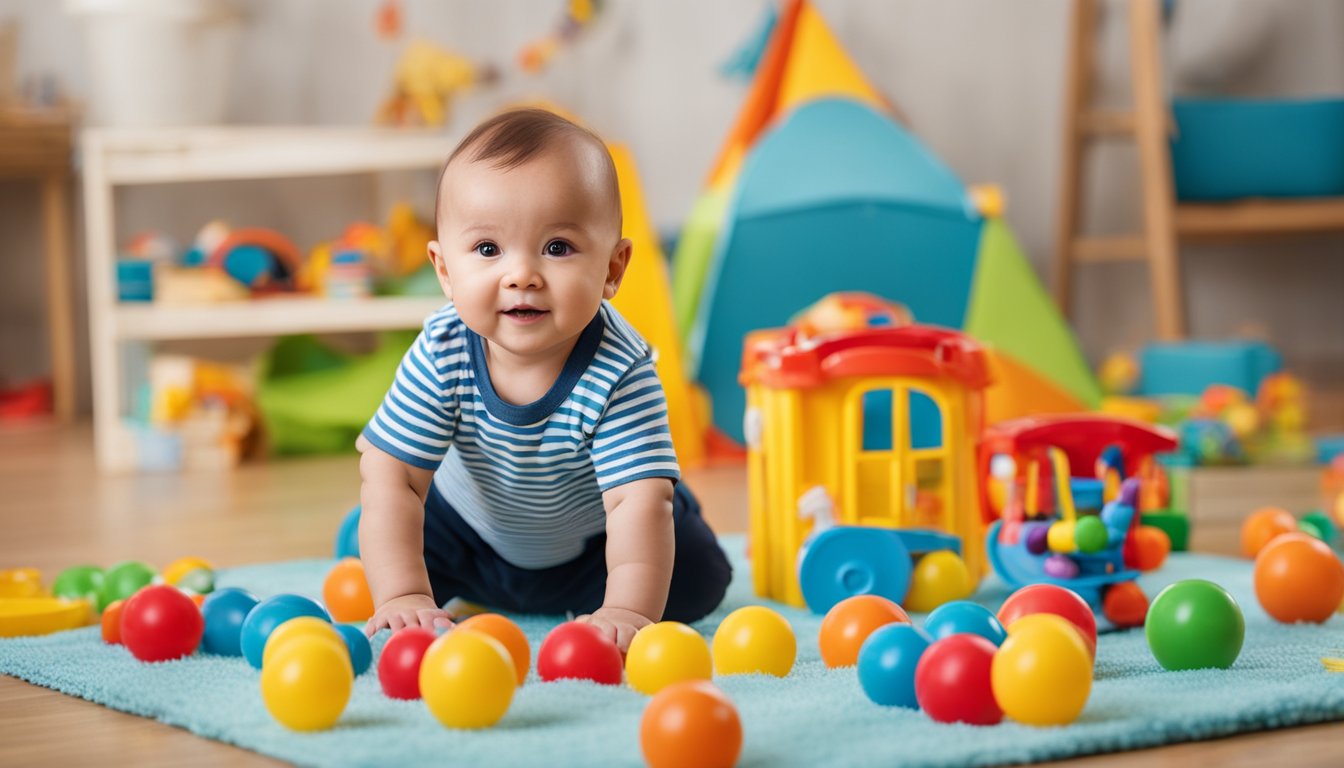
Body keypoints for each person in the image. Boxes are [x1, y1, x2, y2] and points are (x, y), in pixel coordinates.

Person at [356, 108, 731, 651]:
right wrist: (403, 595)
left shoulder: (620, 370)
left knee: (697, 575)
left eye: (557, 247)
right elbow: (396, 476)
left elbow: (633, 503)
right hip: (467, 532)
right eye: (488, 250)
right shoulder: (442, 350)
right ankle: (398, 561)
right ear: (444, 270)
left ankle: (654, 519)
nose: (521, 275)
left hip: (593, 546)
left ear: (612, 269)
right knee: (387, 535)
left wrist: (627, 611)